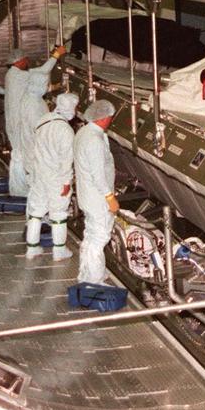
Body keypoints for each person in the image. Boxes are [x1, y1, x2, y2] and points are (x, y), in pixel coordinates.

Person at [4, 44, 65, 197]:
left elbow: (37, 84)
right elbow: (42, 72)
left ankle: (20, 188)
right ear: (18, 61)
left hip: (17, 120)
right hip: (19, 122)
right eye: (25, 60)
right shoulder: (18, 75)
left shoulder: (14, 75)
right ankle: (23, 190)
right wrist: (56, 55)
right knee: (24, 156)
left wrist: (57, 86)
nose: (27, 62)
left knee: (21, 155)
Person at [26, 92, 79, 261]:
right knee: (58, 213)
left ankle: (32, 248)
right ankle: (59, 251)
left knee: (36, 212)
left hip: (39, 174)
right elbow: (67, 160)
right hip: (56, 177)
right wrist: (66, 181)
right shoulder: (65, 130)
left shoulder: (43, 120)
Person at [74, 99, 118, 285]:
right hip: (97, 197)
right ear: (104, 118)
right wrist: (110, 197)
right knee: (99, 237)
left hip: (88, 194)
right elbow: (98, 174)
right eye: (110, 117)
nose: (111, 120)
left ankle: (89, 273)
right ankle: (93, 280)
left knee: (92, 234)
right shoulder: (93, 140)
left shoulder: (85, 132)